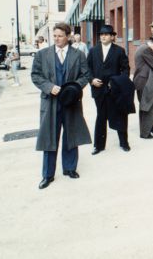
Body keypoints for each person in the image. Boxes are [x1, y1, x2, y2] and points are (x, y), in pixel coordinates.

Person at [31, 22, 92, 189]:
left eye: (60, 36)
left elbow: (86, 75)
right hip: (50, 102)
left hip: (71, 101)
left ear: (68, 36)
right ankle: (48, 175)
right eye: (55, 36)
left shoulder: (78, 55)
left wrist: (74, 88)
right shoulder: (42, 55)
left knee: (71, 134)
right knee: (50, 136)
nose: (57, 39)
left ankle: (70, 168)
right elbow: (35, 75)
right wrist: (49, 87)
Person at [87, 24, 131, 154]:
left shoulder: (119, 51)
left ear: (112, 37)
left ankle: (124, 143)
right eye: (101, 34)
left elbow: (126, 69)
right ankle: (99, 146)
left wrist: (118, 83)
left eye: (106, 34)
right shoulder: (93, 51)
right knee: (101, 117)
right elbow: (87, 68)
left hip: (114, 90)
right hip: (99, 90)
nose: (103, 36)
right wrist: (92, 80)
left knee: (120, 115)